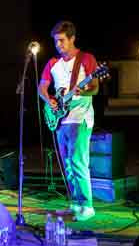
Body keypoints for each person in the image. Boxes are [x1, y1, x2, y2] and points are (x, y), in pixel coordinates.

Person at [38, 21, 98, 222]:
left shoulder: (86, 59)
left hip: (80, 117)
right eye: (56, 41)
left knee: (78, 161)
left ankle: (87, 205)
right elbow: (42, 87)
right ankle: (76, 202)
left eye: (62, 40)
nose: (58, 45)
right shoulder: (53, 63)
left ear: (72, 38)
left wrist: (83, 91)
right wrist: (50, 100)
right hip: (61, 119)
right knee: (67, 164)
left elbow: (95, 88)